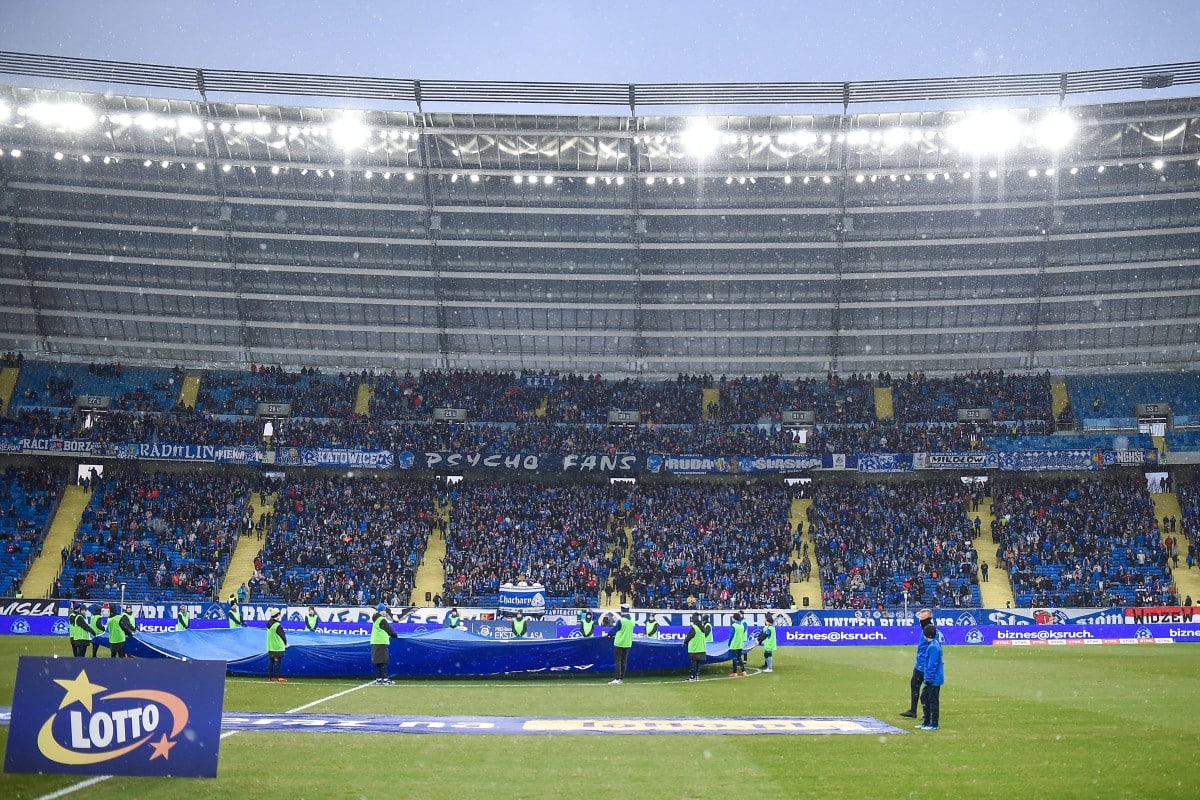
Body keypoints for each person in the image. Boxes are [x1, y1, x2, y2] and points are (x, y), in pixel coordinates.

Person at [901, 608, 934, 718]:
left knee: (927, 692)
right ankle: (913, 710)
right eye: (920, 618)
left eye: (923, 618)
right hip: (919, 665)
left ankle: (928, 713)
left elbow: (933, 649)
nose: (921, 620)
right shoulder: (924, 630)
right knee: (914, 685)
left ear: (929, 618)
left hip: (926, 666)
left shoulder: (931, 631)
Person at [918, 624, 945, 731]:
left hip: (933, 680)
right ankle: (926, 721)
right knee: (924, 698)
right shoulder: (934, 644)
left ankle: (934, 724)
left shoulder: (933, 646)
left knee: (932, 701)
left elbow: (932, 665)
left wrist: (928, 679)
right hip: (933, 678)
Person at [370, 603, 399, 685]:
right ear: (379, 611)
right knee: (383, 661)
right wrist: (395, 635)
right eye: (382, 610)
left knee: (378, 662)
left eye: (385, 610)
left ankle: (378, 679)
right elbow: (389, 629)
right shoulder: (381, 620)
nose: (384, 612)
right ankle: (385, 679)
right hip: (381, 642)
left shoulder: (376, 619)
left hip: (375, 642)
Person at [607, 605, 634, 684]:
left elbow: (614, 630)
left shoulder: (621, 621)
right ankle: (621, 678)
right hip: (628, 643)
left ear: (622, 611)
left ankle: (616, 678)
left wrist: (608, 634)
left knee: (618, 661)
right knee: (624, 661)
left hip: (619, 643)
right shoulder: (632, 621)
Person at [266, 608, 287, 682]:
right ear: (277, 615)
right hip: (278, 647)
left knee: (271, 662)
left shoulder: (268, 623)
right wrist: (285, 643)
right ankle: (279, 676)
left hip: (270, 646)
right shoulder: (277, 625)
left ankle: (270, 676)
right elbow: (282, 635)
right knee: (278, 662)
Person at [684, 614, 707, 682]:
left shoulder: (694, 628)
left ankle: (692, 676)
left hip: (694, 648)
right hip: (701, 648)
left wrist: (685, 642)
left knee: (694, 663)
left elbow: (689, 637)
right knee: (698, 663)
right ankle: (697, 675)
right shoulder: (702, 628)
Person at [728, 611, 748, 677]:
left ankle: (735, 672)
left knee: (734, 658)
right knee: (739, 658)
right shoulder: (741, 625)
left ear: (734, 618)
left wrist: (729, 643)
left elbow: (731, 636)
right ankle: (744, 671)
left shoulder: (734, 626)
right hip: (740, 644)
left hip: (734, 644)